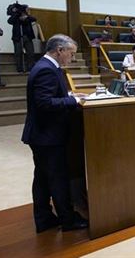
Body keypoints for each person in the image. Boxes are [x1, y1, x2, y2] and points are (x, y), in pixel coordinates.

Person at [21, 34, 88, 233]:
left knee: (42, 178)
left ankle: (44, 218)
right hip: (47, 136)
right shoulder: (46, 70)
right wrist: (72, 101)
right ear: (59, 50)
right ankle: (68, 221)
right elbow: (44, 104)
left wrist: (68, 95)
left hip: (42, 135)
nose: (72, 58)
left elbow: (50, 95)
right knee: (57, 178)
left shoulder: (47, 66)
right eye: (71, 53)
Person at [7, 4, 36, 72]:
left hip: (28, 37)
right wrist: (16, 14)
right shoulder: (15, 16)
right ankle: (19, 68)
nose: (28, 10)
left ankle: (30, 68)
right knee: (18, 53)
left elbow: (34, 19)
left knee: (30, 53)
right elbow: (9, 21)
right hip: (18, 37)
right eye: (27, 9)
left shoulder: (27, 16)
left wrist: (26, 17)